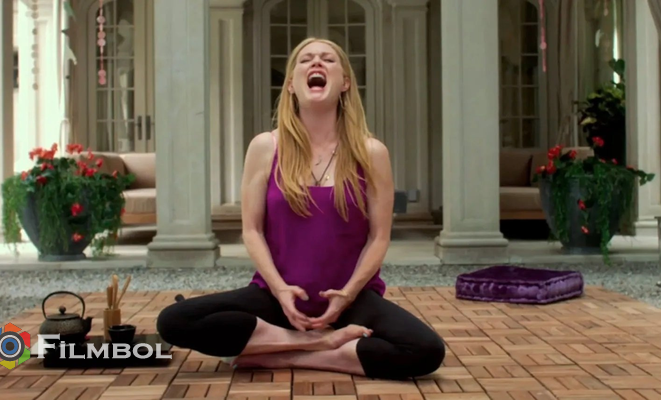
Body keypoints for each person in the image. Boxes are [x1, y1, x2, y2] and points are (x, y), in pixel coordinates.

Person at [156, 37, 446, 380]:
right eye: (305, 60)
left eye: (328, 59)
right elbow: (252, 230)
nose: (316, 63)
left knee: (426, 350)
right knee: (174, 320)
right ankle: (319, 343)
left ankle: (282, 355)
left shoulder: (372, 152)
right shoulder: (265, 147)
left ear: (345, 83)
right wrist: (280, 290)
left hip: (349, 299)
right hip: (277, 297)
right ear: (291, 85)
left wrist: (347, 295)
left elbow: (379, 237)